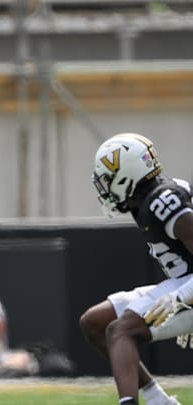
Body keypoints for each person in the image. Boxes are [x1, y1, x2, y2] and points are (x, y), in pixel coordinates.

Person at [79, 133, 192, 405]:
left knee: (121, 331)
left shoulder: (163, 203)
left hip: (186, 288)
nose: (105, 189)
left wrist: (182, 297)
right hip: (184, 283)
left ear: (125, 174)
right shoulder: (149, 200)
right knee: (95, 322)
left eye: (107, 180)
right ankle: (160, 401)